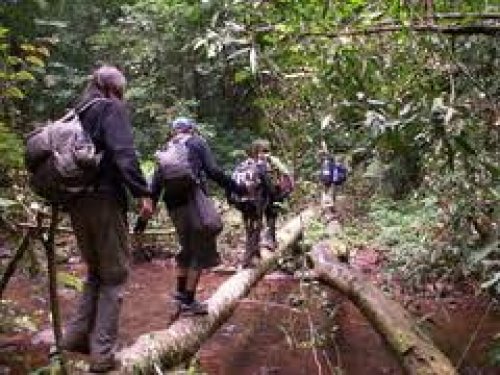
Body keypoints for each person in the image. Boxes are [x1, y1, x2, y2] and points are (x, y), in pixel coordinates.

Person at [60, 65, 153, 373]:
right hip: (104, 200)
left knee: (95, 273)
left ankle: (74, 338)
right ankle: (103, 356)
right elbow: (124, 152)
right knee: (114, 276)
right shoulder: (111, 108)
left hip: (76, 202)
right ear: (116, 88)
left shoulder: (78, 111)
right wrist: (143, 192)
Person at [147, 117, 245, 316]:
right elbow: (213, 170)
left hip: (173, 205)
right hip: (194, 201)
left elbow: (156, 184)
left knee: (186, 248)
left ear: (175, 131)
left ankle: (180, 293)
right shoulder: (197, 142)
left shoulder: (168, 149)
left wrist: (145, 215)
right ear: (191, 129)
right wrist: (236, 187)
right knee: (199, 249)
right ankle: (189, 301)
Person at [230, 140, 273, 268]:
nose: (266, 154)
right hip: (254, 202)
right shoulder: (261, 165)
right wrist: (273, 195)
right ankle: (247, 261)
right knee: (256, 228)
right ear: (257, 152)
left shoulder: (242, 164)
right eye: (264, 151)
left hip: (241, 202)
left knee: (249, 228)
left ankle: (255, 254)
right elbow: (267, 185)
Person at [256, 139, 294, 250]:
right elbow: (286, 173)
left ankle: (267, 241)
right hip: (273, 192)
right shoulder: (274, 161)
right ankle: (270, 240)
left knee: (267, 216)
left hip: (267, 194)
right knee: (270, 217)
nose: (261, 154)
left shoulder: (261, 163)